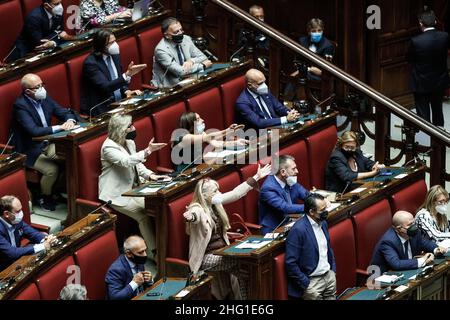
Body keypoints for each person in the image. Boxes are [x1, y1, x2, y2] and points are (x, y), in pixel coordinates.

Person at [183, 163, 271, 299]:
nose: (218, 193)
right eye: (214, 191)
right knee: (241, 263)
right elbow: (195, 215)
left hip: (222, 252)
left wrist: (257, 176)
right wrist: (191, 217)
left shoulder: (215, 204)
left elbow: (236, 193)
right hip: (205, 258)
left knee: (243, 272)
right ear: (204, 195)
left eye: (218, 190)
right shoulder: (197, 208)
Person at [99, 114, 169, 258]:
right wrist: (148, 151)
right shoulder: (108, 147)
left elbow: (138, 165)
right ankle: (155, 254)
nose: (134, 128)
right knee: (143, 215)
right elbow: (126, 161)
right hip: (117, 194)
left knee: (158, 205)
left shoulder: (129, 142)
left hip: (135, 190)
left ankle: (166, 245)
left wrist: (150, 175)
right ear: (121, 130)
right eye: (130, 126)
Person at [11, 73, 76, 211]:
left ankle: (59, 190)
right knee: (52, 170)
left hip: (49, 143)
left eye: (42, 84)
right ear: (28, 91)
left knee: (68, 158)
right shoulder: (20, 106)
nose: (42, 89)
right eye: (37, 87)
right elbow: (33, 131)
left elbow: (63, 112)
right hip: (30, 149)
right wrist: (60, 127)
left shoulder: (44, 98)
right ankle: (45, 196)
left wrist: (70, 120)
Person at [81, 29, 146, 116]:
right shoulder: (91, 63)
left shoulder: (114, 55)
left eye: (115, 41)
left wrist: (127, 91)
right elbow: (106, 87)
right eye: (111, 43)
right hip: (103, 108)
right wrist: (127, 75)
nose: (115, 45)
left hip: (120, 103)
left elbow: (118, 78)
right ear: (101, 46)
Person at [285, 194, 337, 300]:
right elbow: (290, 263)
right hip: (312, 282)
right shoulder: (298, 230)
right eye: (322, 210)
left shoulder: (323, 223)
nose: (326, 212)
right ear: (312, 212)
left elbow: (327, 248)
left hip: (328, 276)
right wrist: (306, 284)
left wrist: (333, 271)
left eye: (325, 208)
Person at [407, 10, 449, 128]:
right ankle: (440, 140)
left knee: (423, 116)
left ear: (421, 23)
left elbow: (409, 58)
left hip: (421, 82)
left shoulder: (416, 41)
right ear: (435, 21)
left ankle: (425, 142)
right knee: (438, 111)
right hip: (439, 81)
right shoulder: (444, 36)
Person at [370, 210, 447, 274]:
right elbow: (396, 264)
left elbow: (425, 243)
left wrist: (436, 249)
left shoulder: (415, 232)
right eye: (410, 225)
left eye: (413, 223)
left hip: (408, 271)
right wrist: (423, 260)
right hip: (383, 279)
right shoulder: (388, 241)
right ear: (398, 229)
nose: (414, 227)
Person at [171, 112, 248, 172]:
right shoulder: (183, 137)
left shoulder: (200, 133)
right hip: (186, 171)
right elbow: (207, 137)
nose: (202, 120)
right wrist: (228, 130)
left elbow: (217, 144)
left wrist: (236, 143)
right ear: (190, 123)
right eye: (198, 119)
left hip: (201, 166)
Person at [151, 17, 212, 88]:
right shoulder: (161, 50)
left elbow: (203, 57)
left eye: (181, 30)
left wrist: (191, 61)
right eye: (176, 32)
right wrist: (202, 65)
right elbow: (180, 71)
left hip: (189, 78)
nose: (180, 33)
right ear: (167, 35)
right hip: (169, 86)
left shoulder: (186, 39)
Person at [0, 195, 56, 270]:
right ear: (6, 214)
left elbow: (33, 234)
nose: (21, 213)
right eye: (18, 211)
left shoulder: (16, 221)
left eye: (21, 209)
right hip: (3, 269)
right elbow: (13, 253)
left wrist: (46, 239)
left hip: (17, 261)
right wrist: (42, 246)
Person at [258, 155, 310, 235]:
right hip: (274, 229)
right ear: (283, 172)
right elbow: (285, 207)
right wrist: (312, 206)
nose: (297, 171)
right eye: (293, 169)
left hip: (291, 223)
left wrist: (319, 200)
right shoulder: (268, 188)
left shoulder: (290, 180)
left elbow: (306, 195)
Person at [6, 0, 72, 62]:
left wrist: (53, 41)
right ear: (46, 5)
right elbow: (40, 43)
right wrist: (55, 40)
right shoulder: (34, 18)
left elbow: (62, 32)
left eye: (60, 2)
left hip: (45, 50)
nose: (60, 6)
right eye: (56, 4)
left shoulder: (57, 12)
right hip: (23, 54)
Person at [234, 69, 300, 130]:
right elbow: (258, 123)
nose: (264, 86)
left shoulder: (263, 91)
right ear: (249, 85)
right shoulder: (242, 103)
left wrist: (291, 113)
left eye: (264, 82)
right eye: (260, 83)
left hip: (276, 127)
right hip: (259, 135)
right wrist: (285, 119)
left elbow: (279, 108)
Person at [105, 235, 153, 300]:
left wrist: (149, 280)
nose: (145, 255)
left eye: (145, 250)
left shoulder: (138, 261)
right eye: (140, 252)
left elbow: (142, 287)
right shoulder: (115, 270)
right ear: (128, 253)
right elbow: (114, 297)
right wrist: (134, 283)